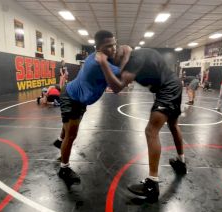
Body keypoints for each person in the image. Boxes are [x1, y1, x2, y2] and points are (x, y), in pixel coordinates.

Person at [97, 46, 186, 202]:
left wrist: (103, 63)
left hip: (167, 89)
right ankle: (181, 161)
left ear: (123, 55)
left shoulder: (135, 60)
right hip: (173, 85)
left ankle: (152, 184)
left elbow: (117, 87)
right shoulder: (142, 53)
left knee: (151, 131)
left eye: (117, 59)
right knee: (173, 125)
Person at [53, 30, 120, 184]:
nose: (114, 49)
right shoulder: (97, 63)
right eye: (109, 46)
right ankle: (64, 169)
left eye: (114, 45)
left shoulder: (102, 59)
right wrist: (130, 55)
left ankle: (59, 140)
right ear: (99, 48)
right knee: (71, 134)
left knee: (68, 128)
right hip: (71, 98)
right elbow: (122, 78)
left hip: (78, 98)